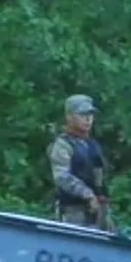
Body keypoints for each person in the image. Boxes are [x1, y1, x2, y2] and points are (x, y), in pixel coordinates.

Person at [47, 94, 110, 229]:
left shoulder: (93, 145)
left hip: (98, 212)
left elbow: (99, 176)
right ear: (69, 117)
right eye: (82, 114)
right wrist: (88, 195)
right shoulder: (62, 145)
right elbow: (62, 177)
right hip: (73, 213)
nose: (88, 119)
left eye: (91, 114)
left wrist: (101, 200)